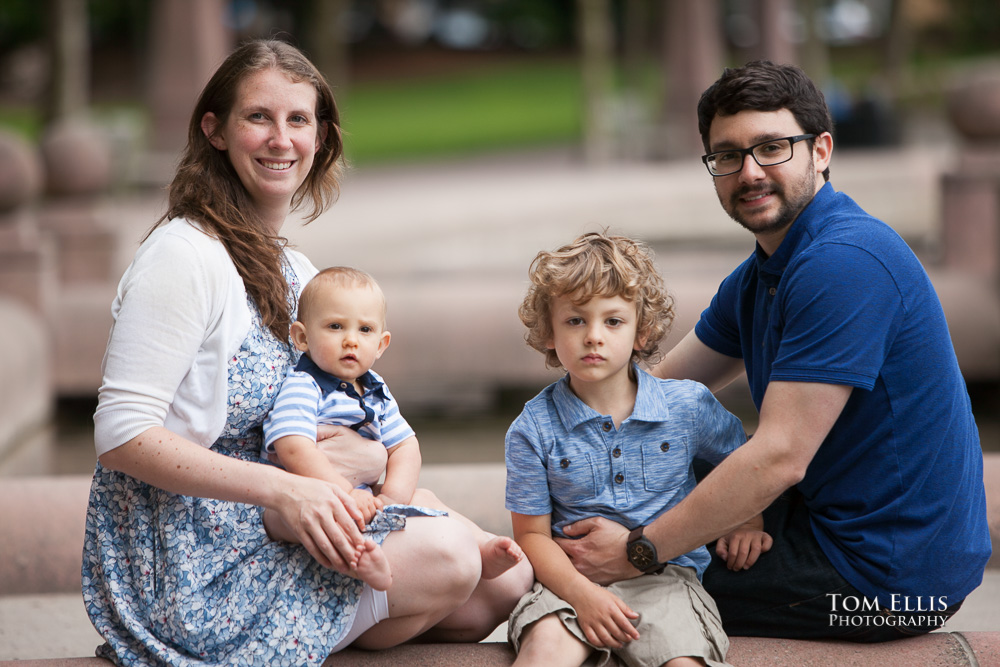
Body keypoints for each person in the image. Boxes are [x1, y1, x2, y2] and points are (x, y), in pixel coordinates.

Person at [82, 39, 528, 667]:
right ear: (214, 129)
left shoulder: (298, 271)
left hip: (293, 513)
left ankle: (314, 626)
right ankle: (295, 628)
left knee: (501, 587)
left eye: (298, 120)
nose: (280, 139)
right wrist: (285, 492)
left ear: (321, 137)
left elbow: (346, 410)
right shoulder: (182, 255)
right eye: (258, 117)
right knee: (452, 559)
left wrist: (368, 457)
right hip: (193, 554)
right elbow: (121, 435)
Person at [553, 60, 991, 642]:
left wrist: (636, 552)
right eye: (728, 156)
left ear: (822, 151)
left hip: (889, 580)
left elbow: (781, 456)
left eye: (772, 148)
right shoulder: (763, 273)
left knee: (601, 591)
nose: (750, 172)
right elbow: (650, 395)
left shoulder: (844, 262)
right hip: (831, 525)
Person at [504, 232, 766, 667]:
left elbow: (741, 464)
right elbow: (531, 534)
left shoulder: (687, 406)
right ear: (549, 332)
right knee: (542, 654)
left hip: (666, 580)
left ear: (641, 331)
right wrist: (583, 596)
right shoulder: (533, 428)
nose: (593, 336)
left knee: (683, 662)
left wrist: (748, 520)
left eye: (612, 321)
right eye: (575, 321)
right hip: (570, 583)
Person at [261, 265, 525, 589]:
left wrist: (392, 498)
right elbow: (292, 445)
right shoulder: (305, 385)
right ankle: (366, 562)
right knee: (317, 517)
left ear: (382, 343)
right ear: (302, 337)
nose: (350, 341)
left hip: (359, 496)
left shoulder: (374, 389)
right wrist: (343, 493)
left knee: (423, 495)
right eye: (335, 326)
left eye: (365, 330)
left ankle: (481, 544)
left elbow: (405, 446)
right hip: (304, 496)